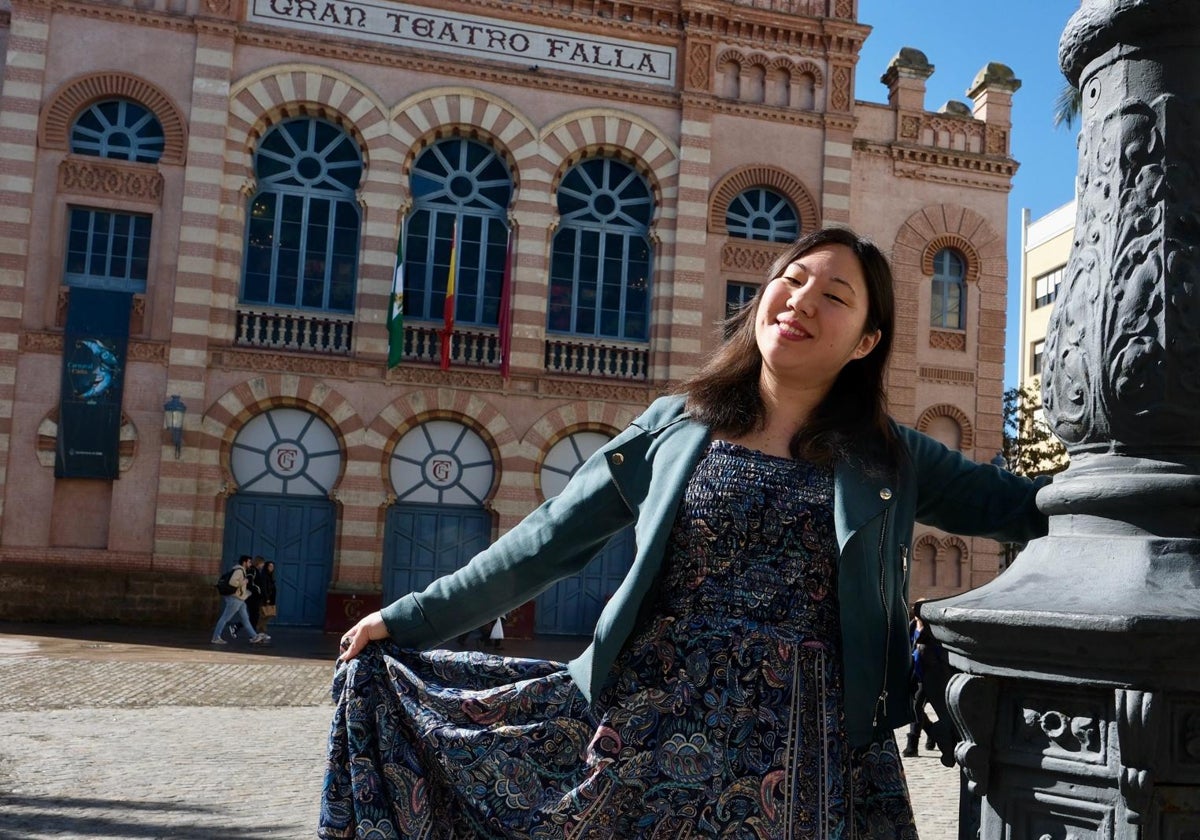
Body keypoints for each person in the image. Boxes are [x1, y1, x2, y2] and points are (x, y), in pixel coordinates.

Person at [324, 227, 1049, 839]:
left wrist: (1126, 489)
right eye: (790, 280)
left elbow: (1021, 506)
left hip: (821, 750)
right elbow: (548, 541)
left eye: (833, 296)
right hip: (653, 738)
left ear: (866, 340)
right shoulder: (678, 425)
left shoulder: (893, 455)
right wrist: (408, 616)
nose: (800, 301)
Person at [211, 554, 271, 646]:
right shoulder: (239, 571)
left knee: (246, 619)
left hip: (240, 599)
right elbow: (232, 582)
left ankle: (254, 636)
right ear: (244, 562)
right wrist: (244, 582)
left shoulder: (242, 571)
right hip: (235, 599)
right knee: (225, 618)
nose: (251, 563)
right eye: (249, 562)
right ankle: (215, 637)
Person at [256, 559, 277, 635]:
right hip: (265, 599)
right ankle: (260, 631)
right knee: (264, 615)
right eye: (270, 566)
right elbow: (264, 588)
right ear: (266, 567)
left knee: (269, 615)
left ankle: (262, 631)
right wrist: (267, 598)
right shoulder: (264, 576)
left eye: (273, 566)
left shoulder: (270, 576)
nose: (272, 568)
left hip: (271, 599)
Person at [245, 555, 266, 629]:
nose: (263, 565)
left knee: (255, 616)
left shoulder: (257, 571)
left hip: (256, 598)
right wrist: (258, 590)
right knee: (254, 616)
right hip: (252, 598)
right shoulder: (252, 570)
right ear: (259, 563)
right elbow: (250, 584)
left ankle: (253, 634)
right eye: (262, 563)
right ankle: (253, 635)